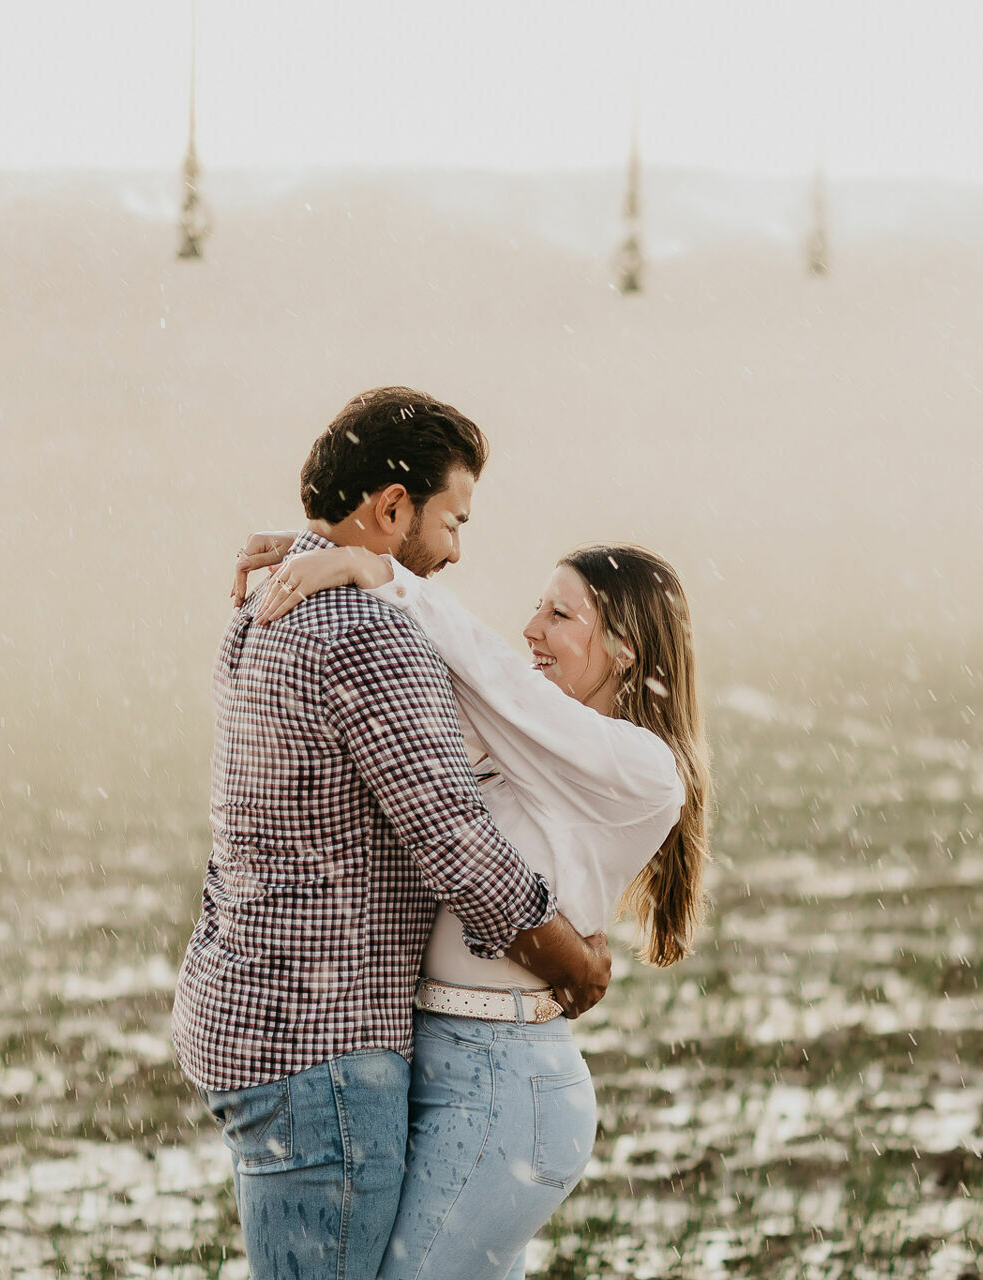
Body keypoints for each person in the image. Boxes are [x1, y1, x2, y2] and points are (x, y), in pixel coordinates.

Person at [171, 387, 611, 1280]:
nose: (456, 550)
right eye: (453, 520)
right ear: (393, 507)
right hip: (322, 1049)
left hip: (251, 1015)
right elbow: (457, 842)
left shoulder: (267, 606)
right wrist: (576, 963)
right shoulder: (367, 632)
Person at [235, 530, 712, 1280]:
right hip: (435, 1062)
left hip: (506, 1087)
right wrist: (316, 544)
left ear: (625, 649)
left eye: (560, 614)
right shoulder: (523, 745)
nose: (532, 629)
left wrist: (372, 565)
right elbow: (420, 681)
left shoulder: (643, 769)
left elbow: (494, 676)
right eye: (538, 608)